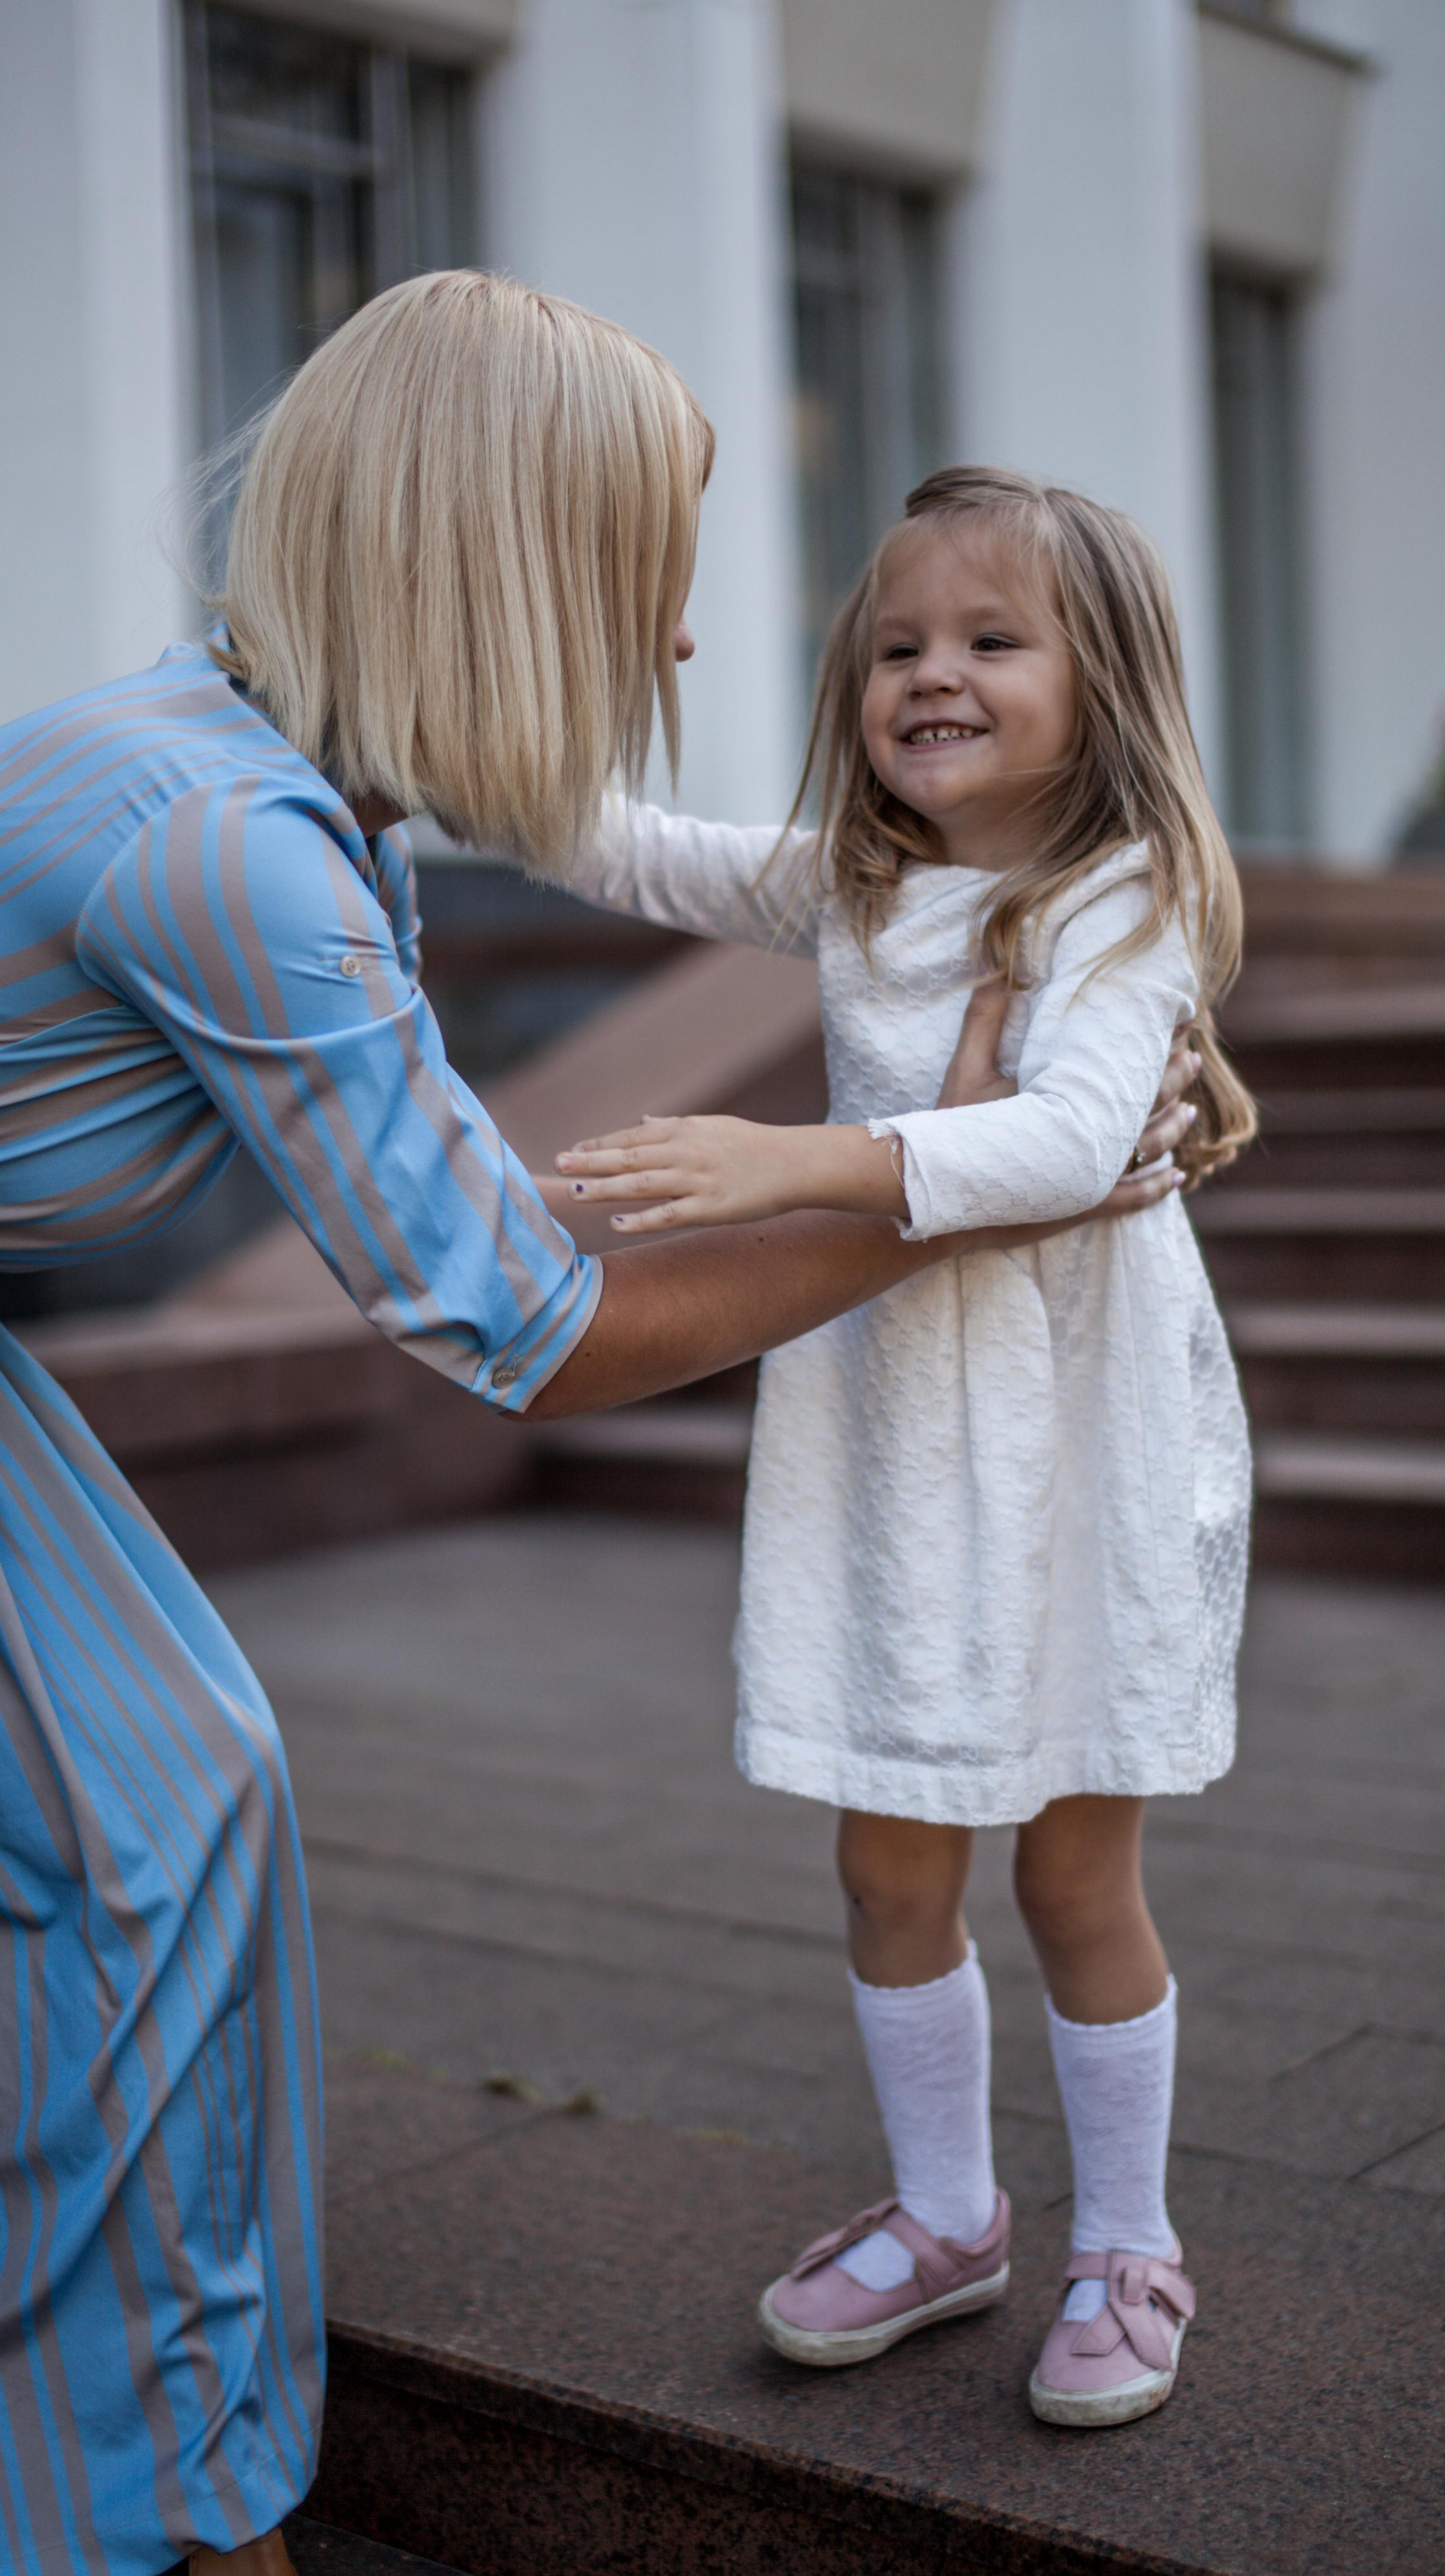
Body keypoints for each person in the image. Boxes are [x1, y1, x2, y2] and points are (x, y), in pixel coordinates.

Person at [0, 291, 1193, 2576]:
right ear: (512, 562)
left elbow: (481, 1206)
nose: (673, 627)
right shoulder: (229, 845)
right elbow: (521, 1330)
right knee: (43, 1879)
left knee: (161, 1803)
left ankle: (108, 2456)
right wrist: (917, 1190)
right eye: (647, 562)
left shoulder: (294, 807)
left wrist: (892, 1175)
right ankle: (84, 2475)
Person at [552, 464, 1255, 2430]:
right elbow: (633, 850)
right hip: (896, 1435)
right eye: (896, 645)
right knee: (886, 1858)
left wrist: (787, 1157)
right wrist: (446, 722)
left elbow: (1059, 1141)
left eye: (989, 640)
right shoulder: (852, 883)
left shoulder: (1125, 897)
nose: (930, 674)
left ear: (1100, 682)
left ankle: (1131, 2238)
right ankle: (953, 2214)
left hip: (1079, 1438)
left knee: (1075, 1873)